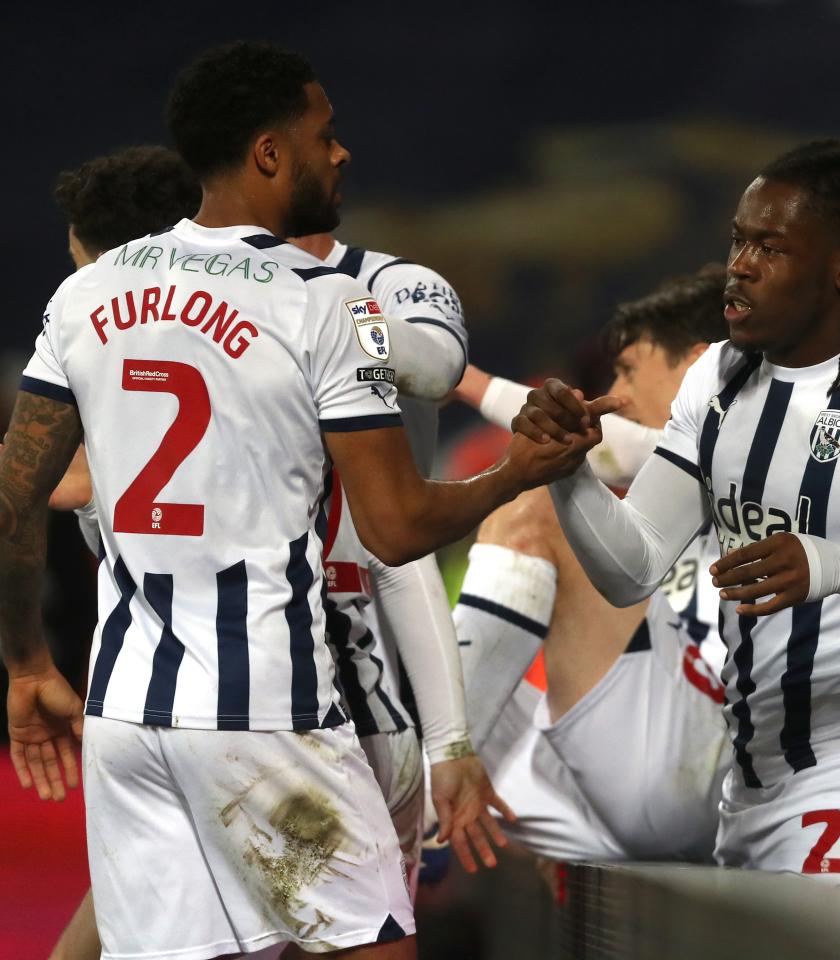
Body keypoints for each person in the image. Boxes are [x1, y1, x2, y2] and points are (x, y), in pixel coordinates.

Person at [0, 40, 598, 960]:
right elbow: (396, 530)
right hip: (266, 712)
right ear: (270, 153)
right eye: (325, 133)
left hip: (127, 714)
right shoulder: (325, 302)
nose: (341, 152)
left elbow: (14, 496)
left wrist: (27, 663)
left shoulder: (87, 294)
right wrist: (517, 472)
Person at [512, 141, 840, 900]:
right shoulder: (716, 378)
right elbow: (633, 568)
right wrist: (568, 473)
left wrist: (838, 566)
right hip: (749, 787)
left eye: (771, 248)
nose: (741, 267)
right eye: (738, 241)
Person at [451, 266, 733, 861]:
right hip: (643, 762)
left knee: (540, 507)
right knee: (413, 646)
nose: (617, 390)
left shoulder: (756, 446)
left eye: (628, 369)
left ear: (699, 365)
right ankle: (418, 802)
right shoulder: (662, 479)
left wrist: (460, 378)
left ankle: (436, 776)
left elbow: (607, 446)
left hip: (711, 764)